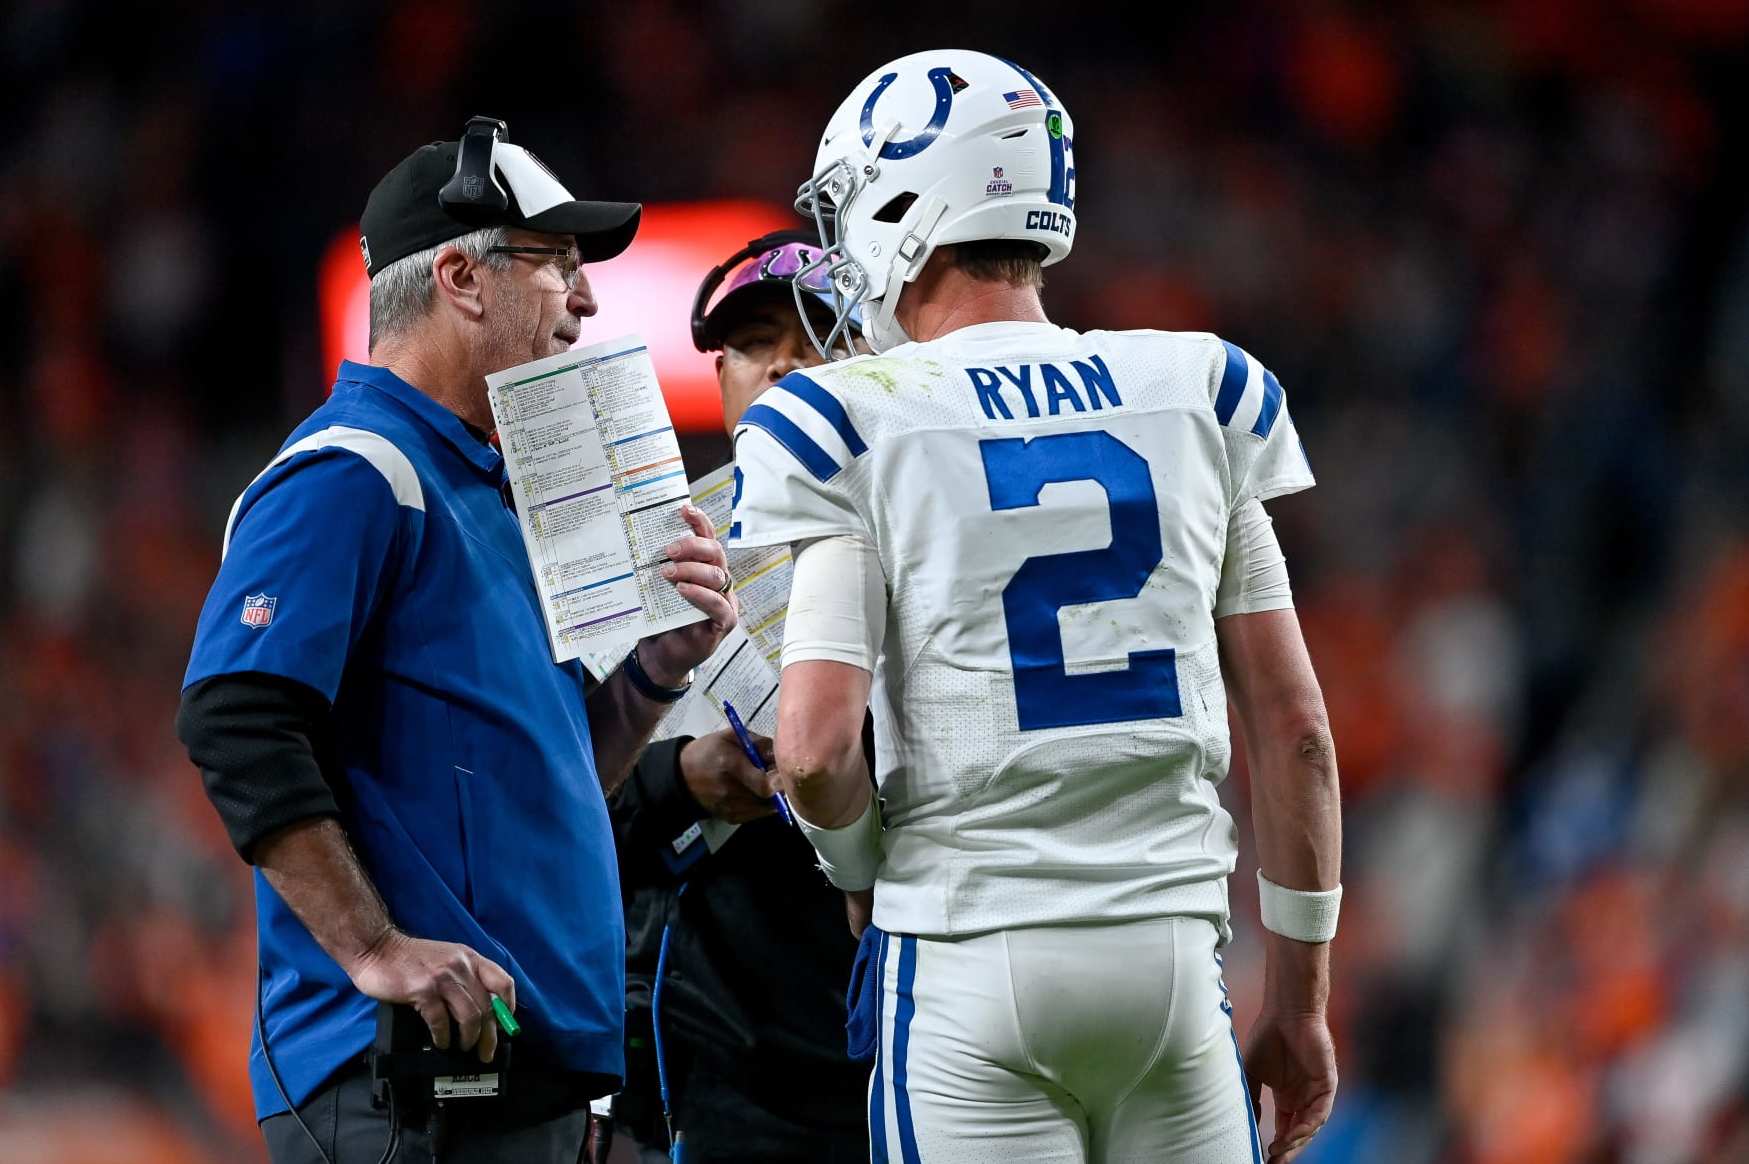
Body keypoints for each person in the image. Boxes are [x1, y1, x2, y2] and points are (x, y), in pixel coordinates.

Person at [730, 52, 1343, 1164]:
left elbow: (814, 749)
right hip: (1170, 963)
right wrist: (1299, 1004)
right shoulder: (1196, 388)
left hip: (966, 958)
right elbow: (1297, 733)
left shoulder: (846, 416)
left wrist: (862, 877)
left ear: (903, 206)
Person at [176, 117, 736, 1164]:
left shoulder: (484, 490)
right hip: (400, 1081)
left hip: (515, 1073)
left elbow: (552, 775)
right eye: (557, 263)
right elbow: (234, 713)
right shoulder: (355, 468)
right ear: (459, 278)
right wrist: (376, 949)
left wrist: (658, 670)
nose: (588, 297)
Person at [606, 230, 870, 1163]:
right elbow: (564, 823)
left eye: (818, 333)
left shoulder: (954, 537)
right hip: (734, 1072)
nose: (785, 363)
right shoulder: (647, 565)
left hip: (942, 1041)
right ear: (719, 374)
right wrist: (678, 779)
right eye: (754, 342)